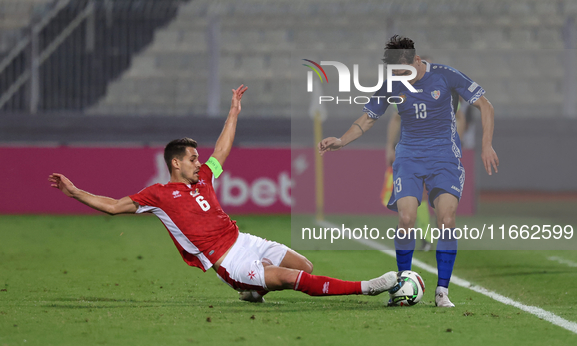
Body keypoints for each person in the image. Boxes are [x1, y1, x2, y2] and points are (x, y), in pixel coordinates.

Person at [48, 85, 398, 303]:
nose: (199, 162)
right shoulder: (157, 195)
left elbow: (222, 152)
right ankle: (366, 287)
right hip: (229, 260)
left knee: (304, 265)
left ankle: (255, 289)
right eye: (191, 158)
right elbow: (112, 206)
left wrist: (233, 113)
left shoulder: (203, 178)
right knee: (292, 279)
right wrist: (74, 191)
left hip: (244, 239)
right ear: (174, 163)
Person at [318, 36, 498, 307]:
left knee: (446, 221)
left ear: (417, 61)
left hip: (444, 158)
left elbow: (485, 105)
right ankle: (403, 281)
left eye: (405, 71)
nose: (401, 77)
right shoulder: (391, 84)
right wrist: (342, 140)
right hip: (409, 158)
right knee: (406, 219)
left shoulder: (445, 75)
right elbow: (367, 119)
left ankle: (442, 291)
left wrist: (486, 145)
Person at [382, 56, 467, 252]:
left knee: (441, 199)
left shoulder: (445, 93)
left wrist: (455, 142)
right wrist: (390, 145)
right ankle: (426, 236)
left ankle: (436, 235)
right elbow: (395, 119)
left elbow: (460, 117)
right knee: (415, 195)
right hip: (413, 152)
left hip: (440, 153)